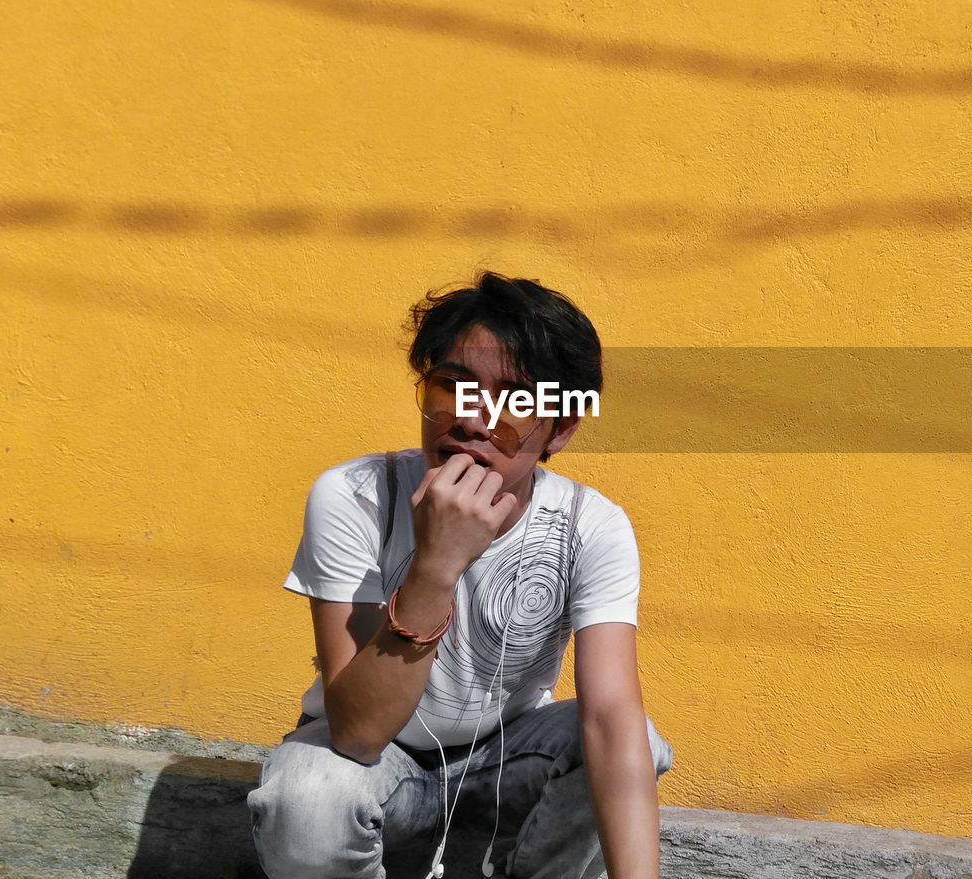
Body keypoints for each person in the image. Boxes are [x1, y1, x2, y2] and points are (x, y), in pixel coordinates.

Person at [248, 273, 673, 879]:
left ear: (564, 428)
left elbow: (609, 717)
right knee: (309, 794)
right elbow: (357, 735)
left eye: (519, 400)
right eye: (454, 386)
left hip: (508, 756)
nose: (475, 420)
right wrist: (436, 564)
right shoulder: (355, 496)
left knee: (635, 742)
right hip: (372, 760)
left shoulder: (590, 525)